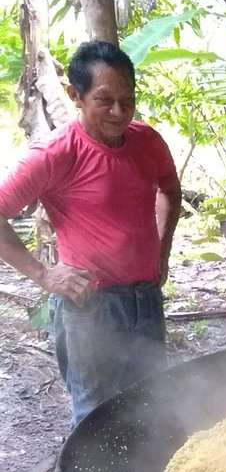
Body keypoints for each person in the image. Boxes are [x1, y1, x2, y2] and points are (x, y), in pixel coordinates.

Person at [0, 40, 181, 423]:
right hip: (90, 307)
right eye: (105, 100)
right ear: (75, 96)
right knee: (96, 416)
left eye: (127, 99)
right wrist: (44, 274)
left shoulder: (147, 142)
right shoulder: (54, 154)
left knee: (151, 405)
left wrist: (161, 253)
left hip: (145, 299)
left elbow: (170, 189)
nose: (119, 111)